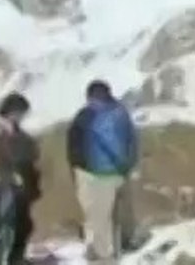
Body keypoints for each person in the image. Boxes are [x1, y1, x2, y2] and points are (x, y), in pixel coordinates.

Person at [67, 80, 138, 258]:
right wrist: (127, 166)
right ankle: (124, 244)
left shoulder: (85, 115)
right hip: (120, 173)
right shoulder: (122, 113)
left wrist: (77, 171)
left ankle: (102, 255)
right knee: (119, 215)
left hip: (94, 174)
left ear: (89, 96)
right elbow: (132, 140)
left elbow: (74, 147)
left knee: (98, 219)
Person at [0, 92, 39, 265]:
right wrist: (9, 178)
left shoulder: (11, 131)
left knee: (18, 224)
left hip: (10, 185)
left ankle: (12, 258)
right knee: (0, 227)